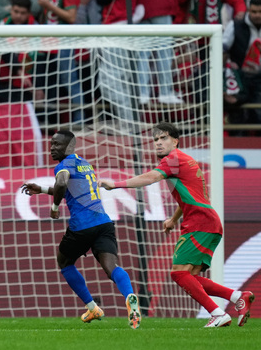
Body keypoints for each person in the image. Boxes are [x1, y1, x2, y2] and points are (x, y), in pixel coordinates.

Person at [100, 122, 254, 327]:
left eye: (163, 138)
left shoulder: (173, 159)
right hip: (207, 221)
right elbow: (189, 196)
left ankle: (217, 313)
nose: (158, 143)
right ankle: (237, 297)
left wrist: (116, 184)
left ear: (175, 141)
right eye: (155, 139)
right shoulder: (186, 160)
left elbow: (151, 177)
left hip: (200, 222)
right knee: (189, 276)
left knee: (178, 273)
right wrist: (173, 219)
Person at [21, 130, 142, 328]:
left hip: (82, 226)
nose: (52, 148)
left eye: (57, 144)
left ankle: (93, 307)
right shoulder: (85, 164)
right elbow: (69, 189)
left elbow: (61, 183)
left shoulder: (64, 164)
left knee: (64, 261)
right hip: (103, 223)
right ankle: (129, 296)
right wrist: (42, 189)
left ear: (69, 147)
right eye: (51, 144)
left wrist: (54, 207)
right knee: (112, 267)